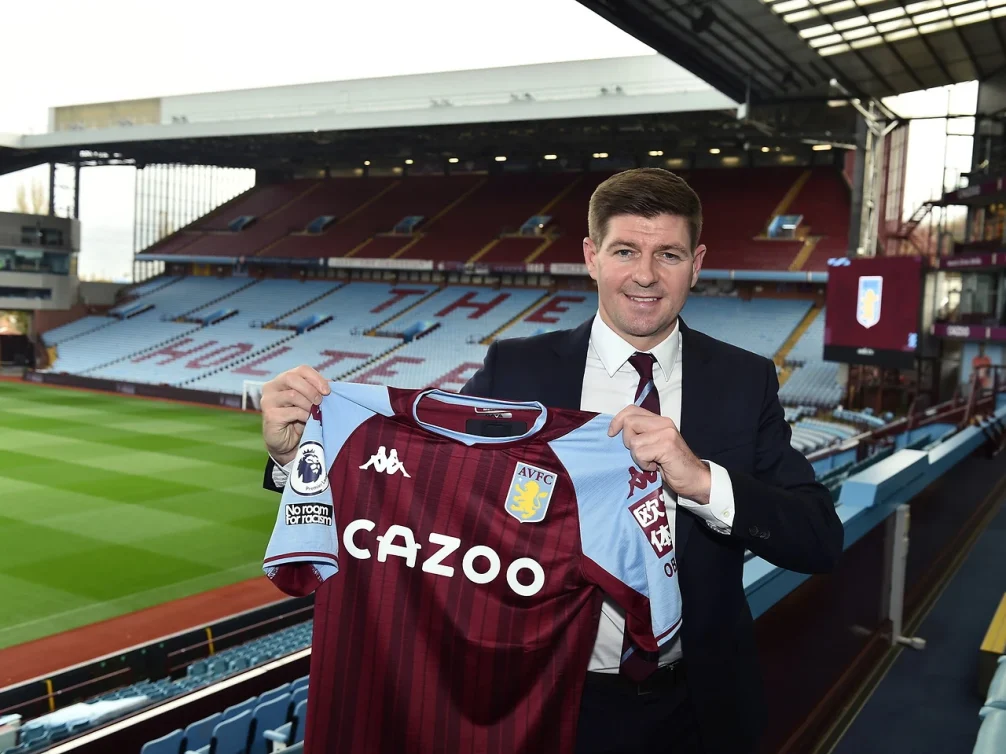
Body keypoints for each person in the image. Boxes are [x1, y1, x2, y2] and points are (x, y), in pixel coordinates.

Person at [259, 167, 844, 754]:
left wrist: (700, 482)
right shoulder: (517, 370)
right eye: (625, 251)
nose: (645, 275)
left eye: (668, 254)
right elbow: (423, 493)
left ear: (696, 263)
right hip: (544, 701)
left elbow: (818, 537)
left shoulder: (745, 381)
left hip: (698, 706)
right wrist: (297, 459)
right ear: (591, 257)